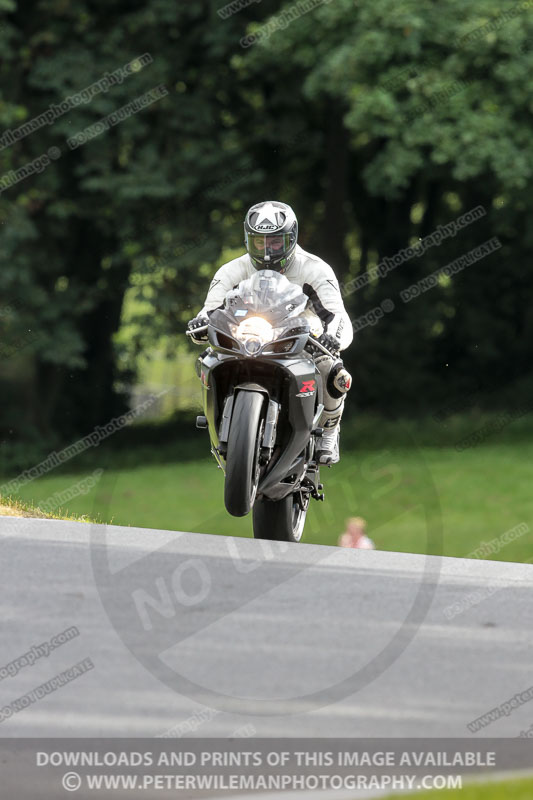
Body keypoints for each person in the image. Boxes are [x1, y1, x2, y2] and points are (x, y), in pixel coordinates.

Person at [187, 200, 353, 464]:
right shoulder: (231, 271)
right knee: (207, 360)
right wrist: (199, 324)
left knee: (334, 372)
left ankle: (329, 431)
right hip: (246, 335)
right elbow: (209, 311)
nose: (267, 251)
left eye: (276, 242)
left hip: (299, 338)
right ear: (247, 240)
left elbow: (338, 316)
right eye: (259, 242)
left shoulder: (315, 269)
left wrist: (334, 338)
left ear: (292, 238)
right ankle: (217, 420)